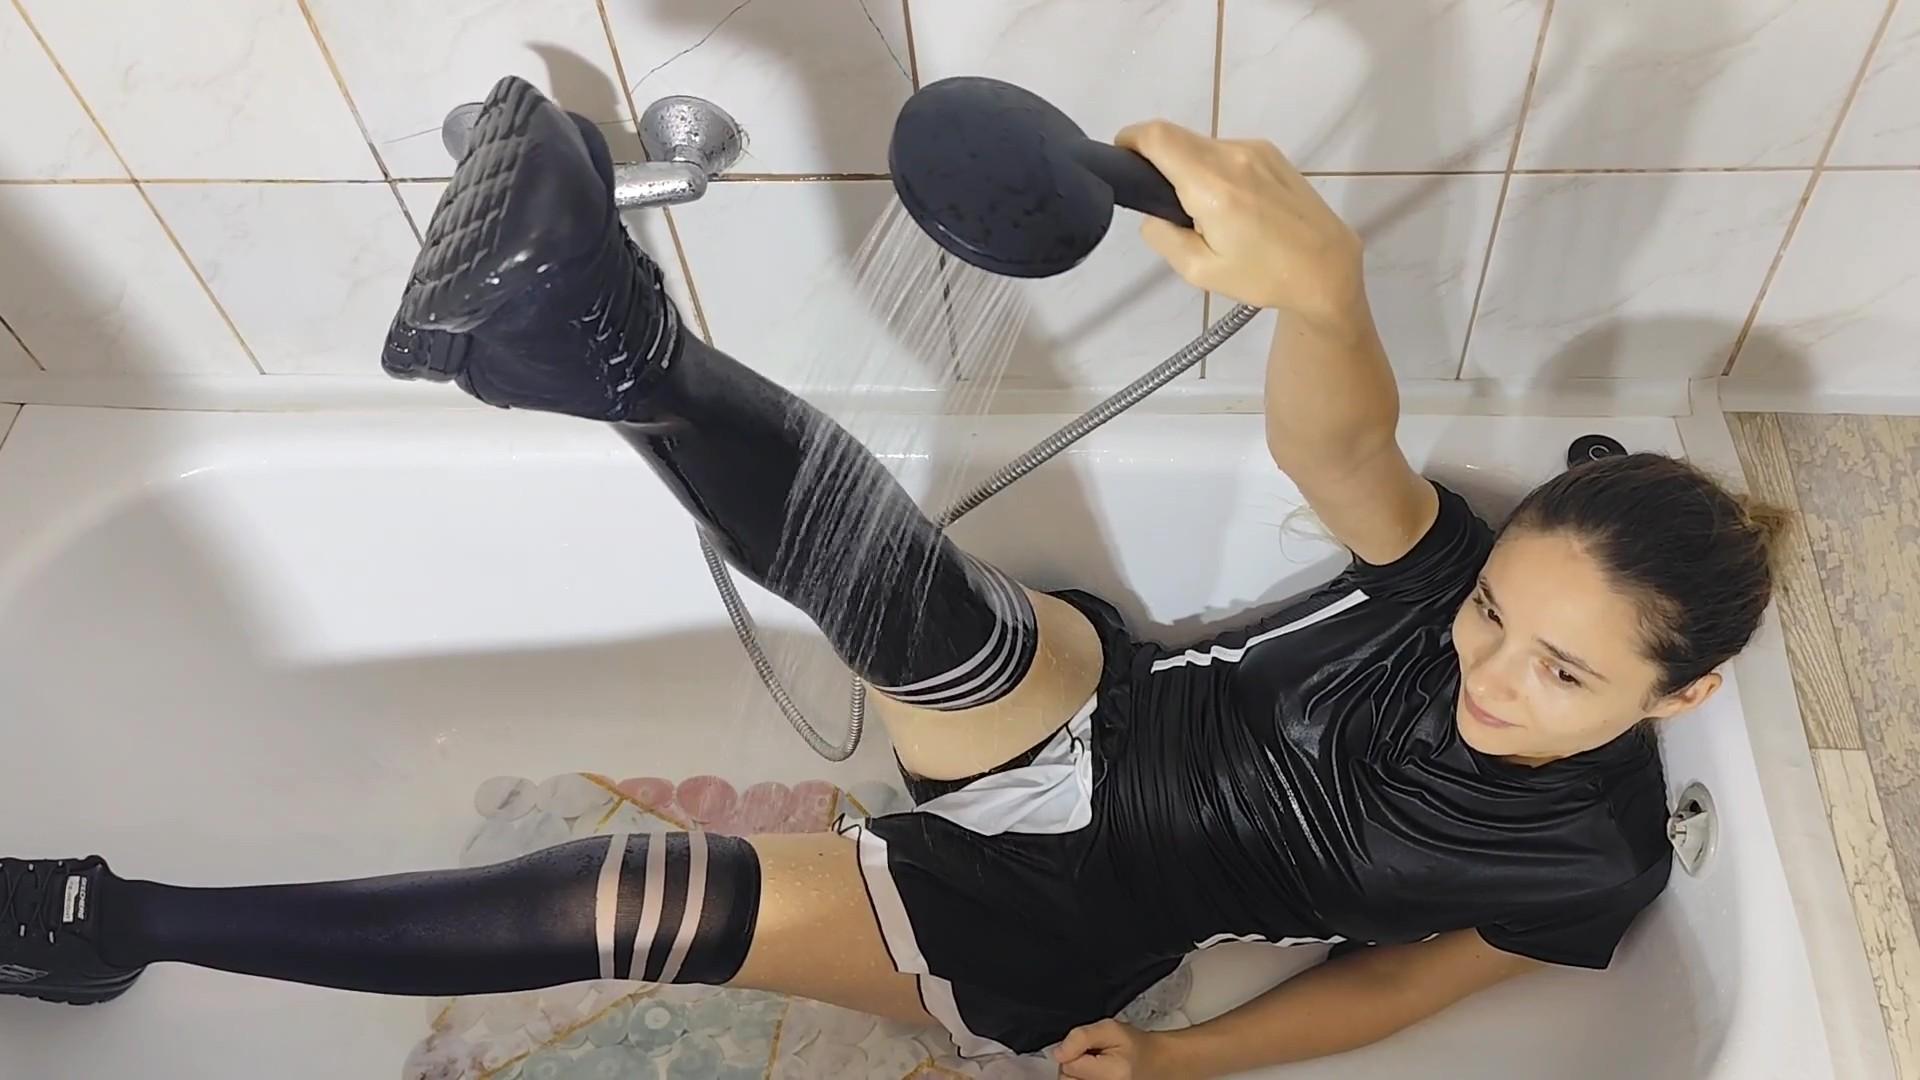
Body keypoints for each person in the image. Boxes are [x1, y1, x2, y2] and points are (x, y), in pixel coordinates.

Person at [0, 78, 1789, 1080]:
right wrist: (1323, 294)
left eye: (1564, 674)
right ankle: (601, 336)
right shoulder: (1446, 576)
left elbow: (1398, 991)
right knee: (907, 600)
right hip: (1094, 712)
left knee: (638, 898)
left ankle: (113, 924)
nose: (1491, 668)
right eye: (1496, 618)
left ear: (1683, 694)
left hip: (1062, 920)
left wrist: (1175, 1063)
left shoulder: (1590, 860)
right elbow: (1344, 451)